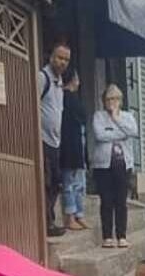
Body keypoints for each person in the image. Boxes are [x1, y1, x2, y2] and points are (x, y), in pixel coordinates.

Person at [90, 85, 138, 249]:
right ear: (104, 101)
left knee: (121, 201)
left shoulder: (127, 116)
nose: (113, 102)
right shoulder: (98, 115)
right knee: (106, 200)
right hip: (103, 165)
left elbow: (132, 131)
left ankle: (122, 235)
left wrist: (116, 120)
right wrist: (120, 133)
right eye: (109, 99)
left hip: (123, 164)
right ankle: (107, 236)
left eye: (116, 98)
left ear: (121, 101)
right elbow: (100, 135)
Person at [38, 42, 71, 238]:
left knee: (56, 182)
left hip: (55, 141)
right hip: (42, 139)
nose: (62, 62)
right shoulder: (43, 78)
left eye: (66, 59)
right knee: (47, 182)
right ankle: (47, 222)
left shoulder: (59, 82)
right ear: (51, 57)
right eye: (59, 58)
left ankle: (49, 219)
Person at [59, 68, 88, 232]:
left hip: (73, 144)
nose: (79, 82)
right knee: (70, 183)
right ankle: (71, 216)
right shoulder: (67, 98)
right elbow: (83, 116)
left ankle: (78, 214)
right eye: (77, 78)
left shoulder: (65, 98)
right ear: (73, 79)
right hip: (69, 145)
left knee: (76, 183)